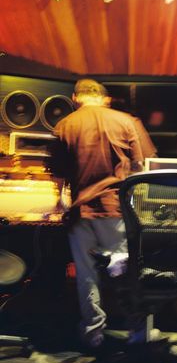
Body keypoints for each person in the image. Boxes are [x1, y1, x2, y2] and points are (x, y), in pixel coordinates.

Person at [48, 79, 144, 348]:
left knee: (87, 275)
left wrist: (60, 202)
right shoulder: (126, 122)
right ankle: (136, 332)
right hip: (114, 210)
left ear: (76, 97)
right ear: (104, 98)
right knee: (122, 272)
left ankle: (94, 335)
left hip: (80, 213)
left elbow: (57, 174)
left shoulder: (65, 125)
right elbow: (138, 167)